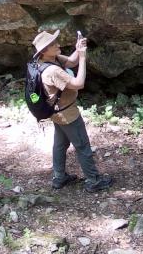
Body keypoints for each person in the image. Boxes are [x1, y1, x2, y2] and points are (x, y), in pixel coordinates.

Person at [31, 29, 114, 193]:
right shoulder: (52, 71)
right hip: (67, 114)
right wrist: (83, 57)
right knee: (82, 145)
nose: (58, 44)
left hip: (56, 112)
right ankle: (93, 180)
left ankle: (59, 177)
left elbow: (70, 62)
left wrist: (78, 49)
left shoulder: (45, 61)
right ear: (45, 50)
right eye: (54, 44)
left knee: (60, 144)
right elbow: (78, 83)